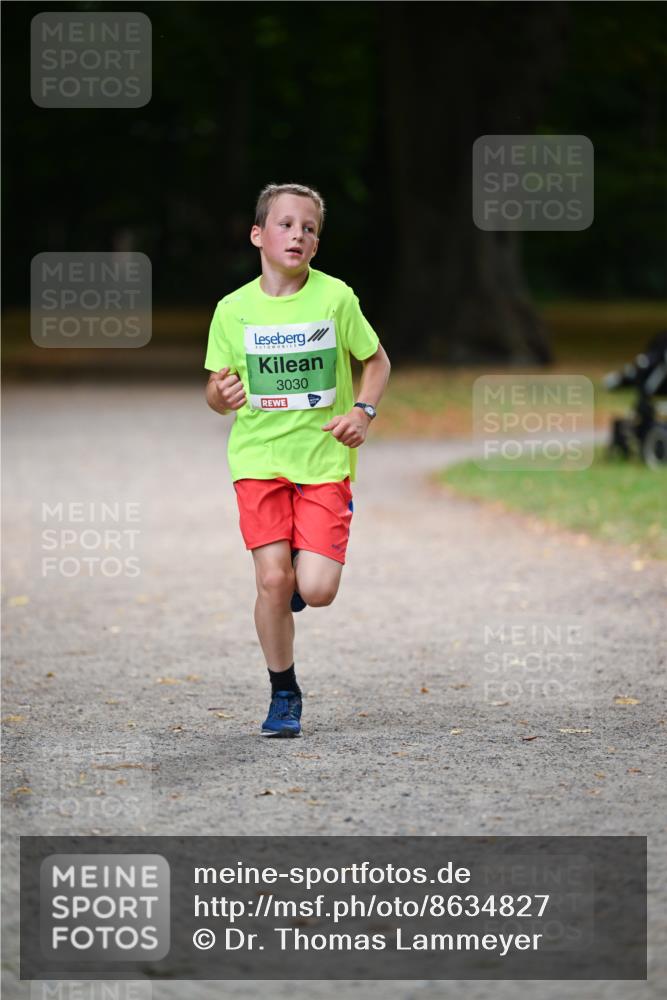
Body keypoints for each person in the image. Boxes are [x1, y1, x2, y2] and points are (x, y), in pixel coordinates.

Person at [204, 182, 391, 737]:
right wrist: (221, 396)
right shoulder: (232, 310)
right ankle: (283, 693)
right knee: (271, 580)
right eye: (285, 224)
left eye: (308, 228)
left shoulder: (335, 299)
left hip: (324, 461)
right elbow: (215, 391)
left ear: (316, 243)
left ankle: (293, 582)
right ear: (257, 235)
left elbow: (377, 362)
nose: (297, 235)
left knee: (316, 590)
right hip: (257, 460)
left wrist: (362, 411)